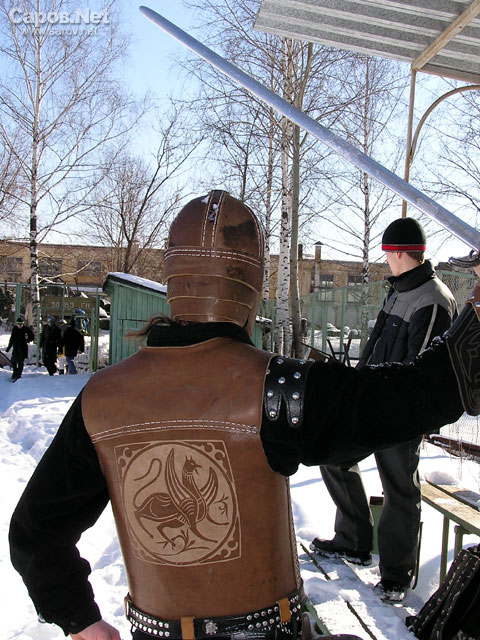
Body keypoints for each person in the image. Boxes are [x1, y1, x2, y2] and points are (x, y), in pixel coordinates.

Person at [8, 191, 480, 640]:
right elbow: (411, 397)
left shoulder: (102, 397)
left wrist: (80, 619)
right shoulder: (276, 386)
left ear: (172, 279)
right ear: (252, 288)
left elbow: (34, 532)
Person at [313, 218, 458, 603]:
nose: (385, 260)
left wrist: (393, 406)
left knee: (399, 488)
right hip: (372, 402)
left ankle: (395, 575)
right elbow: (378, 344)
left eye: (387, 253)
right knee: (333, 456)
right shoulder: (399, 289)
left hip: (404, 413)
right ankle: (353, 541)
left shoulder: (433, 299)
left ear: (398, 252)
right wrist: (356, 384)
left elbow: (421, 369)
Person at [5, 316, 34, 382]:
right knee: (13, 361)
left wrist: (28, 338)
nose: (20, 325)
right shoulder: (15, 329)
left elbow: (32, 336)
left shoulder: (26, 329)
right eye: (18, 324)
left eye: (21, 324)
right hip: (16, 348)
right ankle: (15, 372)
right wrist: (8, 348)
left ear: (23, 324)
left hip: (23, 348)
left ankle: (18, 375)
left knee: (20, 362)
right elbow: (12, 339)